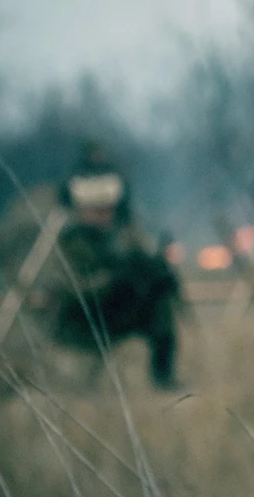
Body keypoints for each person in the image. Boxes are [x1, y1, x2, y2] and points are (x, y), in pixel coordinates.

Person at [55, 140, 181, 390]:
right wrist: (112, 281)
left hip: (118, 312)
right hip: (84, 321)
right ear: (83, 209)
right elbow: (72, 290)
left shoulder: (124, 236)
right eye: (97, 209)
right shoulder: (71, 242)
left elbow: (140, 265)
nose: (104, 215)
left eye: (107, 209)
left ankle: (163, 378)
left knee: (161, 308)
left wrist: (157, 274)